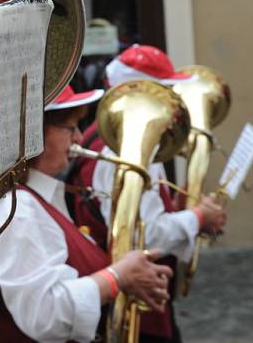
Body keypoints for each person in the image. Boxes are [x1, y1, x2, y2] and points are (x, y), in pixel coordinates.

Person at [0, 85, 174, 343]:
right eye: (69, 128)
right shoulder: (17, 211)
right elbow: (46, 314)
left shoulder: (18, 198)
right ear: (33, 134)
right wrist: (118, 277)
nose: (79, 138)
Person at [66, 44, 228, 342]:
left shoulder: (121, 145)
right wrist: (197, 216)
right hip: (133, 300)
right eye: (166, 93)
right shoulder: (116, 152)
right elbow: (146, 237)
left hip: (139, 288)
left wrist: (183, 211)